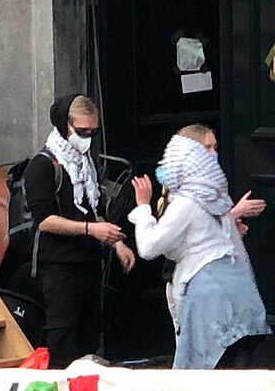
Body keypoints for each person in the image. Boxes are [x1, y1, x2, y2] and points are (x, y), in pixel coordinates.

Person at [129, 127, 271, 369]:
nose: (213, 153)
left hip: (210, 294)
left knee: (202, 375)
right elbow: (232, 247)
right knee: (235, 371)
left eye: (214, 147)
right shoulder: (212, 195)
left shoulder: (189, 200)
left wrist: (143, 208)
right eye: (207, 148)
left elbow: (149, 247)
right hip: (236, 293)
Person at [24, 94, 136, 368]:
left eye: (92, 132)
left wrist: (116, 242)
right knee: (62, 339)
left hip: (89, 262)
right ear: (65, 125)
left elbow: (92, 206)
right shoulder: (42, 165)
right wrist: (90, 230)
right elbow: (45, 220)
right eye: (82, 131)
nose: (87, 138)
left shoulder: (86, 163)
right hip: (58, 265)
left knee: (90, 338)